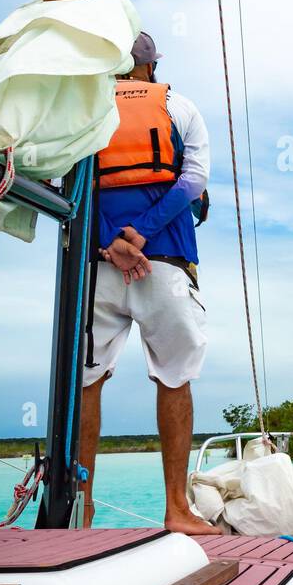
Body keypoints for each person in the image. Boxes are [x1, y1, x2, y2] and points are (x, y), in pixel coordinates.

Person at [79, 31, 222, 535]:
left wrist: (108, 242)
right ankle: (177, 510)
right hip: (164, 261)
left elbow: (66, 185)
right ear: (148, 68)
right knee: (174, 375)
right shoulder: (179, 106)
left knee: (87, 381)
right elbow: (193, 182)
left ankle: (82, 508)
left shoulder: (85, 113)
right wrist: (142, 233)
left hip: (96, 266)